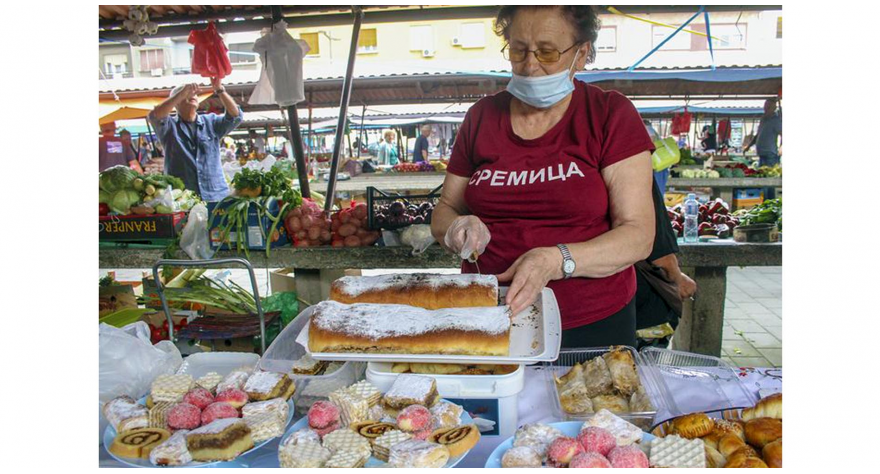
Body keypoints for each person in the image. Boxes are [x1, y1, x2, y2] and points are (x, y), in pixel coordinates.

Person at [431, 5, 656, 348]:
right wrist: (456, 227)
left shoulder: (609, 114)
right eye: (519, 50)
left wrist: (556, 260)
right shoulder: (481, 117)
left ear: (581, 54)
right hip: (489, 315)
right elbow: (446, 207)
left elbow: (638, 235)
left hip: (590, 320)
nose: (531, 65)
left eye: (547, 52)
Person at [148, 77, 243, 201]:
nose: (192, 95)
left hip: (215, 195)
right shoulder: (169, 127)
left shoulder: (211, 122)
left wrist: (220, 90)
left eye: (194, 94)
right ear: (175, 103)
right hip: (183, 198)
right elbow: (154, 116)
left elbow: (236, 117)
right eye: (186, 94)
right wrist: (181, 93)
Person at [635, 179, 697, 348]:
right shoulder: (634, 170)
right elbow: (661, 256)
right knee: (639, 369)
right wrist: (678, 279)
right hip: (640, 308)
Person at [744, 98, 782, 200]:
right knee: (762, 180)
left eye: (768, 107)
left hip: (771, 154)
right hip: (761, 154)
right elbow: (758, 135)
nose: (766, 108)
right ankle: (765, 202)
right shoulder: (763, 119)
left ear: (773, 108)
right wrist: (748, 146)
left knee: (769, 181)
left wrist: (782, 147)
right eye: (765, 106)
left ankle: (769, 202)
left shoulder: (776, 120)